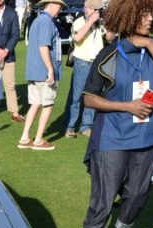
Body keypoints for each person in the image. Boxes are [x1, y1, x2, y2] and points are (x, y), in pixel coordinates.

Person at [77, 0, 153, 228]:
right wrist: (127, 106)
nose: (149, 19)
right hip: (113, 135)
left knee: (138, 192)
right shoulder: (109, 55)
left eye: (152, 14)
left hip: (147, 135)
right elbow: (88, 99)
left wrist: (148, 44)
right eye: (143, 13)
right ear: (127, 16)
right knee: (105, 193)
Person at [18, 0, 63, 150]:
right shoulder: (46, 22)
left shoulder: (39, 20)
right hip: (44, 72)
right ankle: (38, 140)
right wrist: (50, 69)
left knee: (35, 103)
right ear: (51, 4)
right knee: (48, 104)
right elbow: (44, 46)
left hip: (34, 70)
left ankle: (25, 138)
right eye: (59, 6)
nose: (60, 10)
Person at [62, 0, 106, 138]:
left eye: (99, 10)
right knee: (76, 96)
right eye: (96, 10)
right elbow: (77, 37)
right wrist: (90, 21)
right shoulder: (80, 21)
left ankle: (86, 126)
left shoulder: (100, 23)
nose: (98, 12)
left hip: (96, 62)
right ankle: (69, 126)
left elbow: (109, 37)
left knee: (92, 95)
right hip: (82, 62)